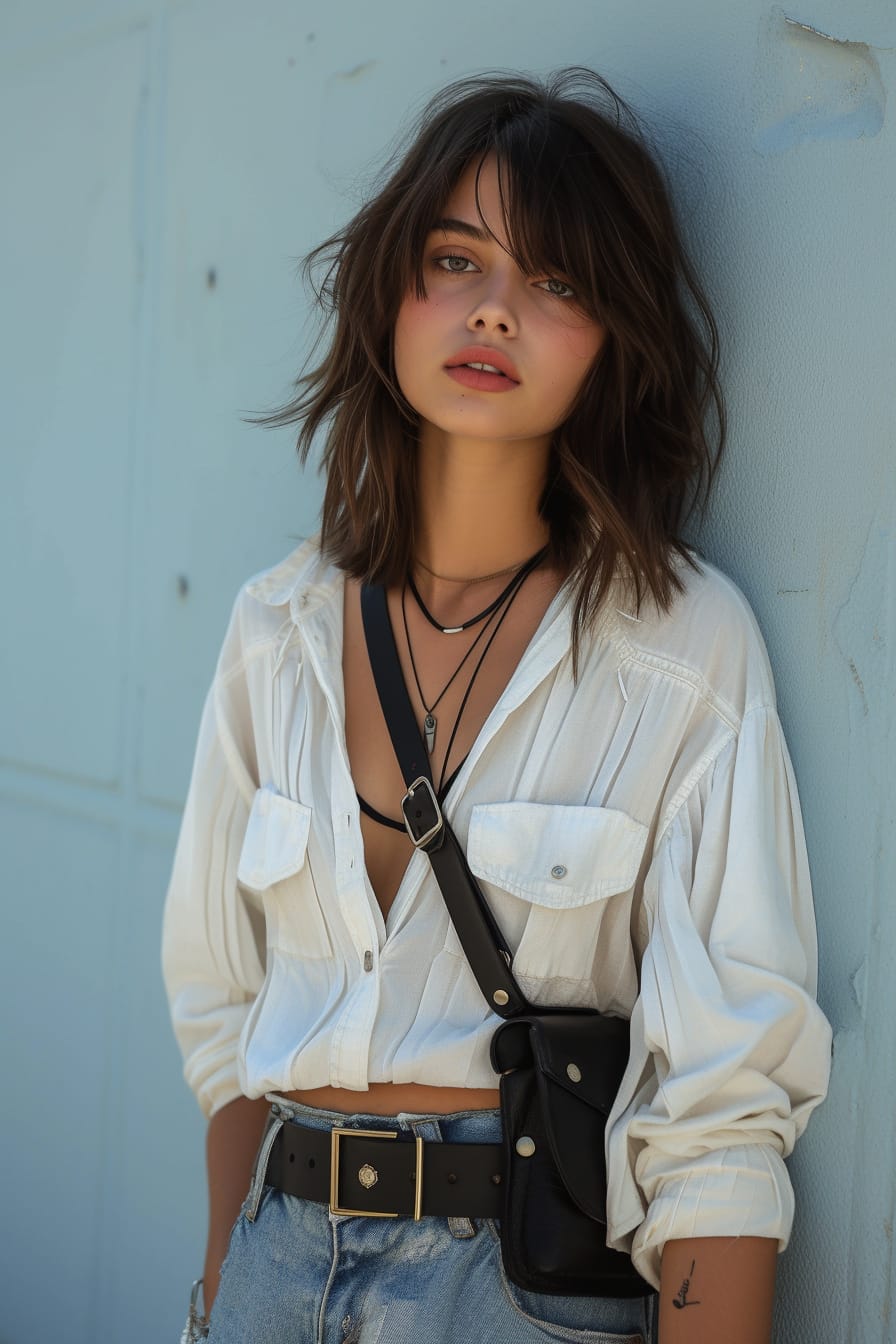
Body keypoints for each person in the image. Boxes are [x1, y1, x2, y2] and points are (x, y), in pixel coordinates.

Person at [162, 66, 832, 1344]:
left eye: (558, 281)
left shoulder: (674, 647)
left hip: (509, 1285)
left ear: (612, 337)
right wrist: (215, 1290)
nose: (495, 310)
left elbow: (719, 1107)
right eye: (455, 257)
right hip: (268, 1259)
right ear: (390, 290)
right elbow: (222, 1012)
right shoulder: (276, 628)